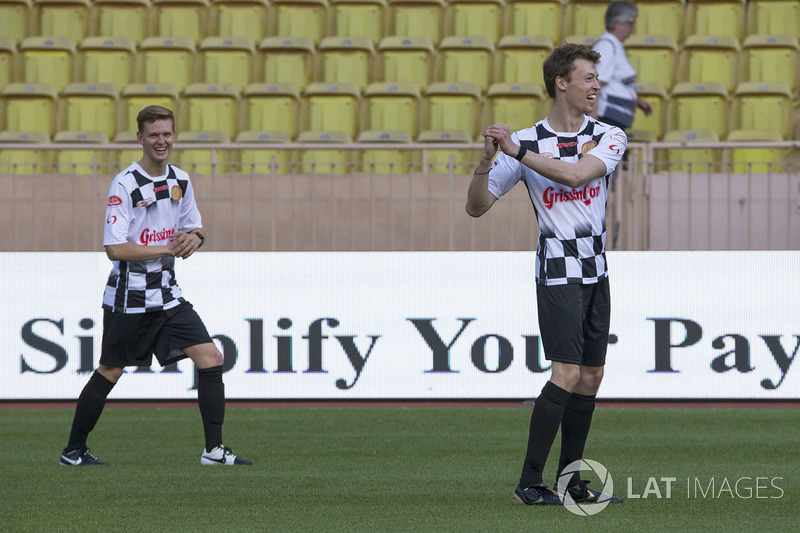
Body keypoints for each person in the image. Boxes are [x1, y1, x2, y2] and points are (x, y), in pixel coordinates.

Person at [466, 43, 626, 505]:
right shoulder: (524, 141)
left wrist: (517, 152)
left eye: (597, 79)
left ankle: (570, 481)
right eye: (588, 78)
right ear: (562, 82)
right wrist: (488, 161)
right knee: (567, 371)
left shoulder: (608, 135)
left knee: (591, 377)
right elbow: (476, 208)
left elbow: (576, 176)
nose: (597, 85)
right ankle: (528, 483)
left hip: (596, 267)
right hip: (556, 267)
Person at [59, 105, 251, 467]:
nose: (160, 141)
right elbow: (114, 248)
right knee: (111, 371)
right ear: (140, 139)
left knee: (211, 358)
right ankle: (73, 451)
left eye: (166, 134)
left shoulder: (180, 179)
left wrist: (195, 240)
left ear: (174, 136)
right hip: (129, 297)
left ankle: (213, 450)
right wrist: (168, 246)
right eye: (153, 135)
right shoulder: (125, 183)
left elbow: (196, 226)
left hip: (167, 294)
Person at [591, 1, 652, 131]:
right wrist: (593, 120)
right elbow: (595, 84)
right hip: (607, 119)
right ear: (617, 23)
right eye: (630, 23)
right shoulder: (606, 46)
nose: (633, 27)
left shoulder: (614, 45)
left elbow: (617, 82)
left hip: (614, 119)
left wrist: (637, 101)